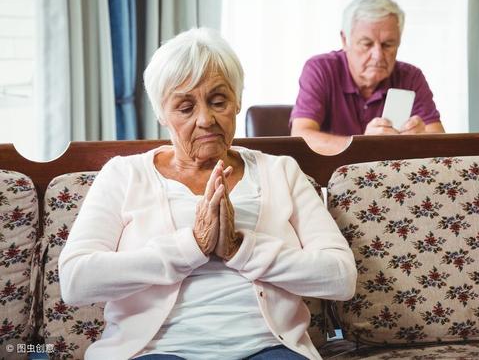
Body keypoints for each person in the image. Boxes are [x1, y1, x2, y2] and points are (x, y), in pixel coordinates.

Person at [58, 27, 357, 360]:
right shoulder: (124, 175)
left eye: (218, 101)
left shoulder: (280, 172)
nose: (206, 119)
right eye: (185, 108)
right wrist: (192, 247)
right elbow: (75, 280)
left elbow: (341, 276)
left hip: (270, 348)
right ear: (161, 114)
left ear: (237, 100)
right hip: (155, 352)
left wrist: (240, 248)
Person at [291, 0, 444, 154]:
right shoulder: (320, 69)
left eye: (388, 44)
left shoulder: (411, 77)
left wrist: (422, 139)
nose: (378, 55)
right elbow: (301, 136)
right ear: (345, 40)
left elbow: (438, 137)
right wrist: (364, 145)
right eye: (367, 44)